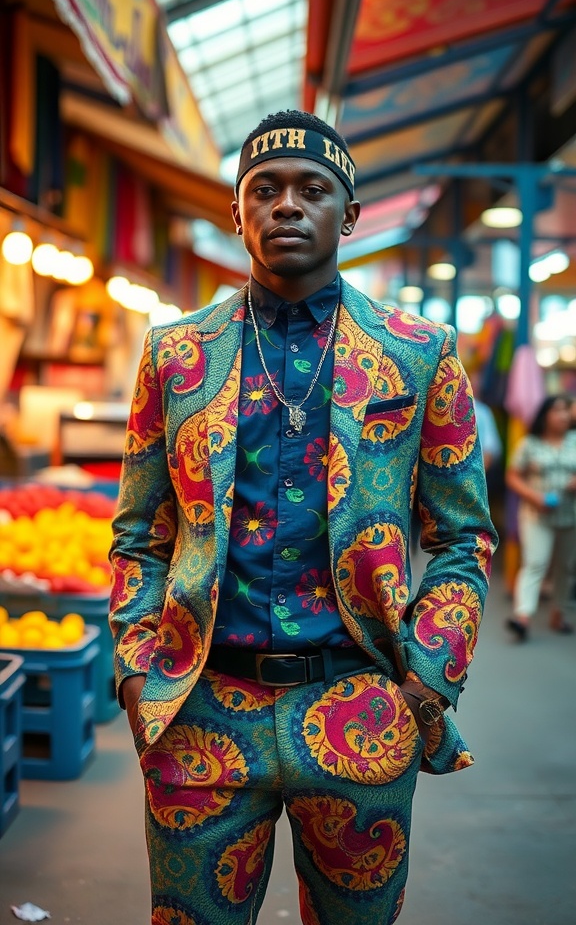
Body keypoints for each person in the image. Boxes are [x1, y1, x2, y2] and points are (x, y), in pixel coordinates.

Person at [109, 110, 497, 925]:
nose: (288, 205)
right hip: (202, 711)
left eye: (313, 190)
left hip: (360, 709)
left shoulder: (419, 351)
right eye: (266, 190)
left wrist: (427, 678)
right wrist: (138, 670)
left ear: (348, 216)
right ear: (238, 213)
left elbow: (462, 537)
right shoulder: (176, 353)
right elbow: (139, 534)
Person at [505, 394, 576, 641]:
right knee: (535, 563)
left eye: (567, 410)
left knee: (566, 568)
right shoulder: (530, 443)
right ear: (545, 414)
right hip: (536, 515)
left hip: (571, 516)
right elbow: (512, 475)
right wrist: (534, 496)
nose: (564, 415)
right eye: (558, 410)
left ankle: (559, 613)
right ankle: (522, 617)